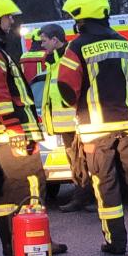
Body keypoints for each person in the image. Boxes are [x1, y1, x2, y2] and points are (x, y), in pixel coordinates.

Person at [57, 0, 128, 254]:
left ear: (81, 19)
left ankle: (116, 242)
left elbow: (66, 88)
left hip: (95, 132)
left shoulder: (76, 47)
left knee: (105, 184)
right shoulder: (123, 43)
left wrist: (76, 107)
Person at [0, 0, 67, 256]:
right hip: (11, 132)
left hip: (0, 133)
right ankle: (36, 240)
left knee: (4, 189)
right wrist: (14, 127)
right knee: (30, 183)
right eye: (7, 17)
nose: (11, 21)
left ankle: (12, 242)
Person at [39, 23, 92, 213]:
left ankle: (88, 198)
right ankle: (81, 197)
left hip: (76, 121)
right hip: (65, 123)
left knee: (84, 160)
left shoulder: (69, 56)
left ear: (55, 40)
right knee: (75, 161)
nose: (42, 45)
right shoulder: (53, 60)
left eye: (44, 40)